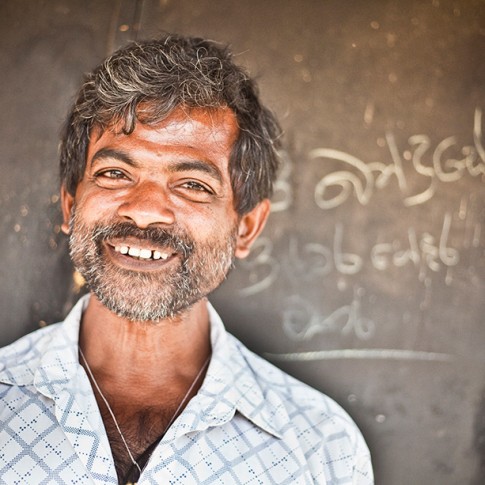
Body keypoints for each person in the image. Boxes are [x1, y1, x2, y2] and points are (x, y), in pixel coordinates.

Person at [0, 34, 373, 484]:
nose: (144, 209)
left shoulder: (320, 448)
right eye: (115, 173)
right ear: (69, 206)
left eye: (193, 184)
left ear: (247, 228)